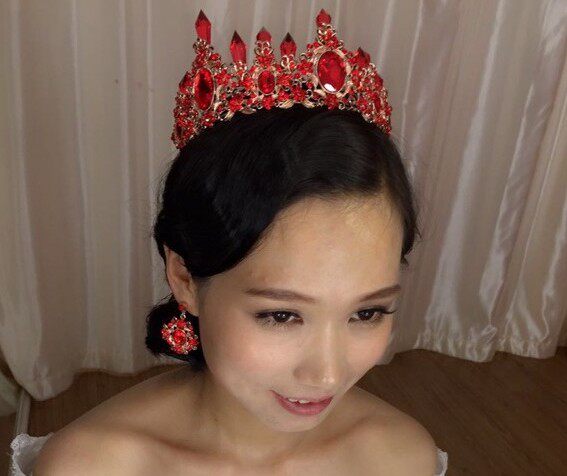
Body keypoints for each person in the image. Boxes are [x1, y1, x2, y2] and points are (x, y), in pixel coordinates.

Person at [10, 9, 448, 475]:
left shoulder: (398, 459)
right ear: (185, 279)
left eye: (367, 313)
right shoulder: (93, 468)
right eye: (281, 315)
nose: (327, 374)